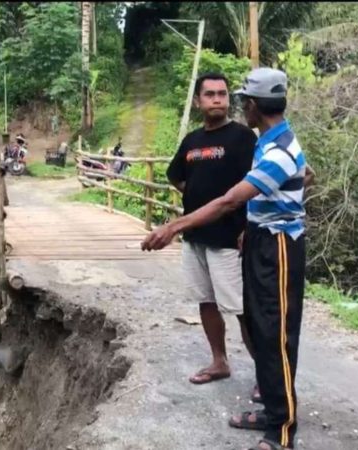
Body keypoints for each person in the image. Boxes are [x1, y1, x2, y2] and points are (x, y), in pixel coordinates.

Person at [142, 68, 312, 450]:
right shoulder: (270, 142)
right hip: (261, 240)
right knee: (265, 331)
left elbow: (230, 200)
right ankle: (271, 412)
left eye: (236, 99)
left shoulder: (277, 148)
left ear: (252, 105)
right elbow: (301, 177)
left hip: (279, 246)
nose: (229, 104)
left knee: (275, 334)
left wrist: (173, 227)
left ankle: (281, 433)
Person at [165, 73, 258, 392]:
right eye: (210, 94)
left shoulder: (244, 138)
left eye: (222, 94)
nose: (217, 99)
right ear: (198, 101)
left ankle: (265, 376)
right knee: (205, 301)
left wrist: (248, 225)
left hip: (230, 240)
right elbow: (174, 175)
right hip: (195, 239)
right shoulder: (191, 141)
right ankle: (219, 361)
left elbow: (259, 184)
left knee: (242, 309)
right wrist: (195, 193)